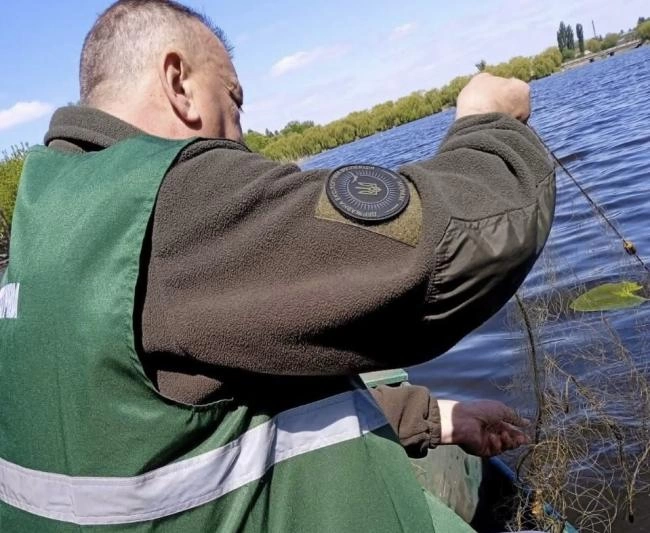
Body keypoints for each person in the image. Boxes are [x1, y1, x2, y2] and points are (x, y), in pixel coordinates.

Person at [0, 0, 555, 531]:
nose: (244, 136)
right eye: (234, 103)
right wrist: (489, 124)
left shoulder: (48, 233)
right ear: (179, 84)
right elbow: (453, 246)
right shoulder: (169, 202)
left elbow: (194, 421)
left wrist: (434, 419)